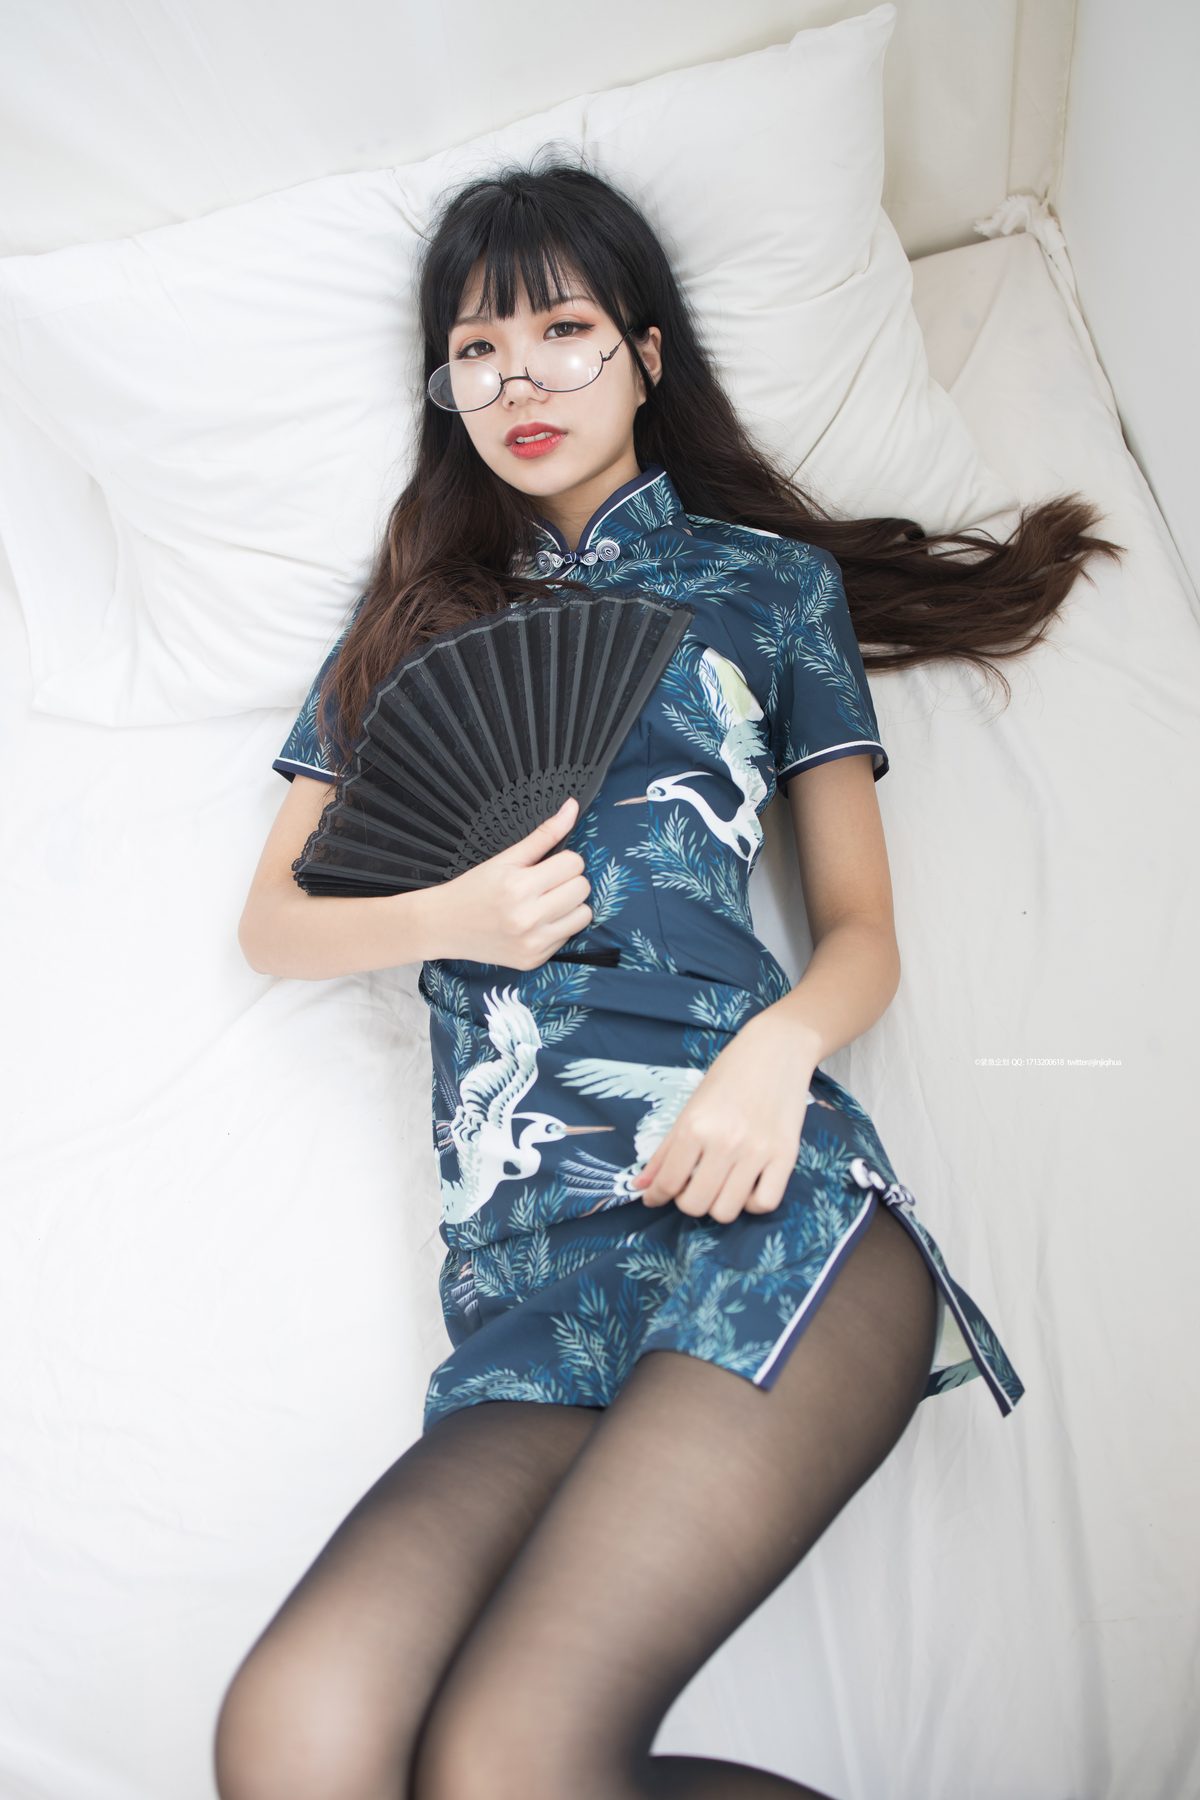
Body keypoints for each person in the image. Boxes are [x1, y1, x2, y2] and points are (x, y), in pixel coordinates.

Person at [216, 155, 1122, 1800]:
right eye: (476, 352)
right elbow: (274, 923)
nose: (520, 381)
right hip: (529, 1277)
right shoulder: (408, 623)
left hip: (756, 1198)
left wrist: (777, 1056)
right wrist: (451, 916)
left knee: (511, 1761)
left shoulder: (766, 590)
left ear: (644, 354)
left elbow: (863, 930)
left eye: (561, 332)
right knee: (295, 1737)